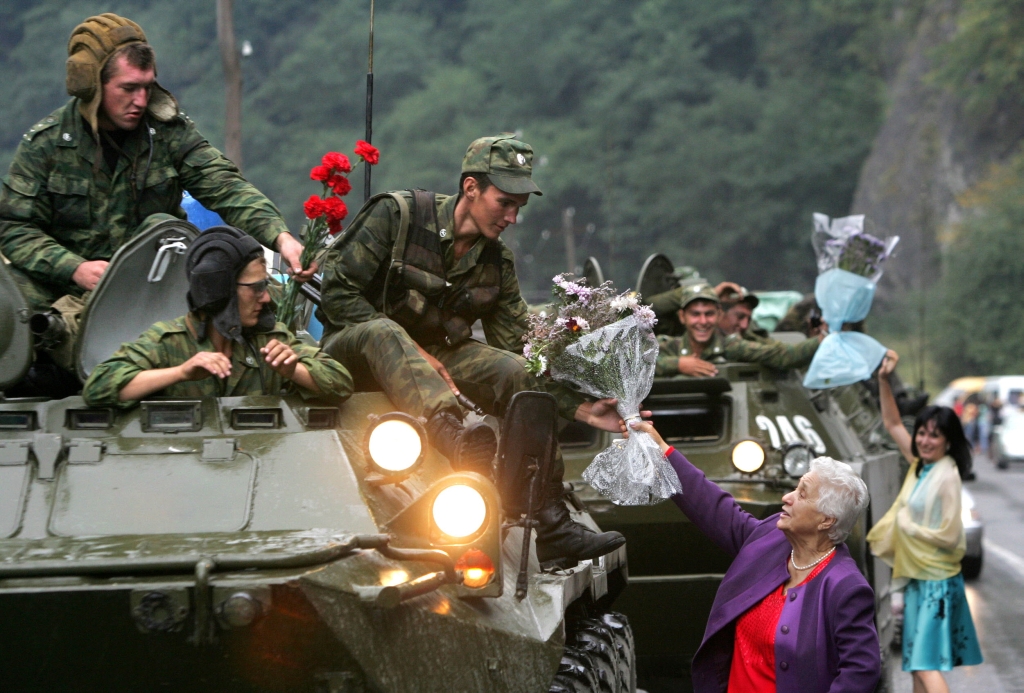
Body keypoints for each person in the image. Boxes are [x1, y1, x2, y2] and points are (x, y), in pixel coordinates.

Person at [317, 135, 625, 566]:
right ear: (471, 188)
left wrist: (583, 408)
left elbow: (522, 347)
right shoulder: (397, 216)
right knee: (383, 331)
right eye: (505, 203)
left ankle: (551, 524)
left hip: (438, 361)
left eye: (519, 207)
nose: (512, 217)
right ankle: (456, 440)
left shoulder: (495, 262)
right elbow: (337, 296)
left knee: (516, 373)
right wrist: (410, 349)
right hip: (356, 353)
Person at [0, 14, 312, 379]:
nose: (141, 100)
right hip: (67, 286)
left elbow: (225, 186)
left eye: (148, 87)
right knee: (11, 302)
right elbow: (14, 227)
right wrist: (74, 268)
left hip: (157, 282)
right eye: (128, 88)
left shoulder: (166, 133)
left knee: (248, 287)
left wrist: (280, 236)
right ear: (93, 86)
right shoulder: (48, 144)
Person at [622, 417, 880, 692]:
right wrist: (661, 451)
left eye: (802, 495)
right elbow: (715, 509)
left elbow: (861, 672)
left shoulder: (845, 587)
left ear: (826, 520)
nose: (787, 497)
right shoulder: (771, 539)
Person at [83, 226, 351, 407]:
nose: (266, 298)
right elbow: (99, 387)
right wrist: (181, 373)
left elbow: (341, 384)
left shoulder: (268, 340)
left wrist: (293, 370)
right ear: (220, 291)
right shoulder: (169, 341)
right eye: (256, 288)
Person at [867, 351, 983, 691]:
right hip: (918, 579)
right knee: (916, 666)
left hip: (937, 582)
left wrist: (908, 526)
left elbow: (951, 537)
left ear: (948, 440)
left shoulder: (946, 475)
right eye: (921, 433)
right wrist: (883, 380)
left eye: (934, 435)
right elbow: (892, 424)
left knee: (925, 666)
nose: (924, 441)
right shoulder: (922, 465)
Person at [655, 284, 823, 378]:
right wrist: (678, 364)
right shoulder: (667, 346)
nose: (703, 322)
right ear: (682, 317)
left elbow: (782, 355)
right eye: (695, 315)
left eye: (709, 314)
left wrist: (822, 338)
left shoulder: (732, 346)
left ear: (719, 315)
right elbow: (638, 365)